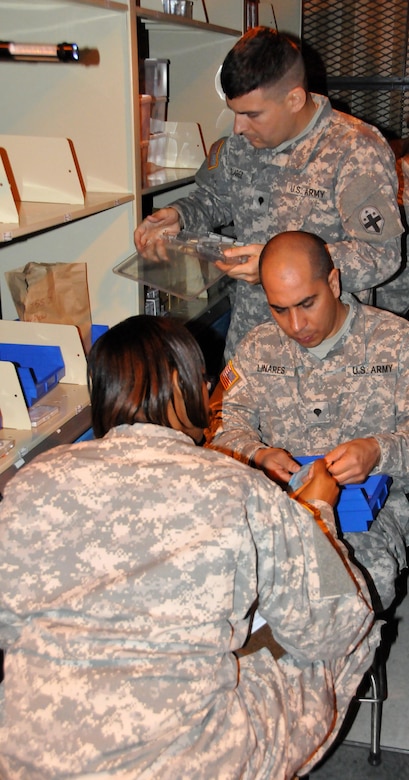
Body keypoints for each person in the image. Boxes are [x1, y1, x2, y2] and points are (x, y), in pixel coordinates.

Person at [0, 315, 379, 780]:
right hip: (189, 760)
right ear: (188, 387)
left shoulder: (30, 483)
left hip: (30, 755)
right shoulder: (237, 489)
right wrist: (316, 511)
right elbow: (333, 626)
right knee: (348, 630)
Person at [134, 26, 404, 360]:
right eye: (235, 112)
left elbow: (381, 256)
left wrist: (275, 265)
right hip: (252, 343)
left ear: (294, 99)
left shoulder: (356, 149)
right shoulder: (239, 146)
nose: (238, 127)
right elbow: (212, 199)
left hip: (329, 355)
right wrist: (179, 215)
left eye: (252, 114)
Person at [208, 230, 409, 614]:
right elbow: (225, 432)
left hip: (365, 521)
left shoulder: (396, 342)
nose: (296, 324)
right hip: (277, 511)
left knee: (343, 598)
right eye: (279, 309)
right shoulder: (257, 347)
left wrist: (377, 450)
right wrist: (257, 455)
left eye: (307, 303)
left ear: (333, 283)